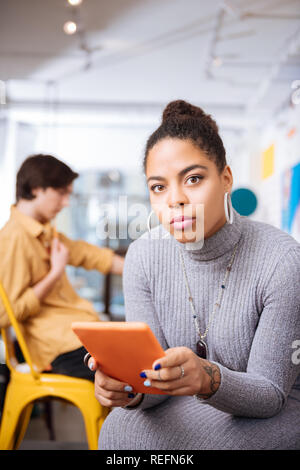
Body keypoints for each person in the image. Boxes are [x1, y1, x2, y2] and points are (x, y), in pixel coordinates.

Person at [87, 100, 300, 450]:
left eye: (194, 179)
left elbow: (271, 393)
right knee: (119, 428)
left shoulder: (283, 260)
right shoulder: (143, 256)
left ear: (226, 179)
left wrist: (207, 378)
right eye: (159, 187)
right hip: (189, 401)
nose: (176, 200)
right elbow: (152, 383)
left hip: (277, 406)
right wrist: (128, 388)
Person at [0, 154, 124, 381]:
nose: (66, 202)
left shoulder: (45, 232)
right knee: (131, 373)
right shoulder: (13, 239)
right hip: (57, 348)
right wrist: (55, 273)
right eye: (61, 193)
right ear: (37, 189)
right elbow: (4, 314)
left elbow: (88, 255)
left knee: (137, 358)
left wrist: (141, 269)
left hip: (77, 336)